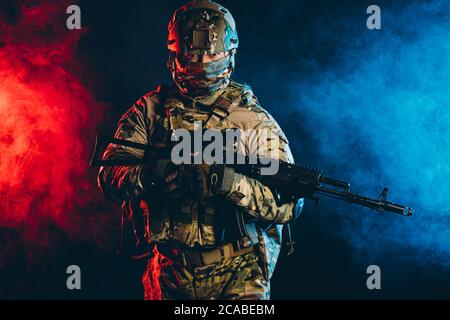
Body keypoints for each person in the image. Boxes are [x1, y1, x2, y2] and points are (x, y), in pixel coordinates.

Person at [97, 0, 303, 300]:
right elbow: (108, 176)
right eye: (192, 62)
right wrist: (154, 174)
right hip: (168, 274)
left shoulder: (254, 122)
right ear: (173, 58)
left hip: (238, 275)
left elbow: (287, 205)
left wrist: (227, 182)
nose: (203, 69)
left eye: (213, 61)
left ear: (230, 57)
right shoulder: (150, 112)